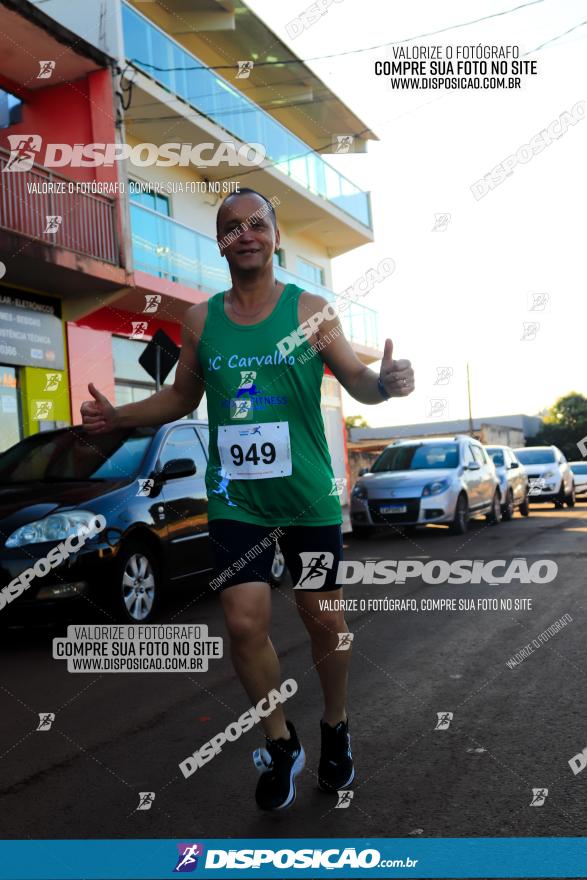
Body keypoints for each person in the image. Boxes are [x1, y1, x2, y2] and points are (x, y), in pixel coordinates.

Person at [80, 188, 415, 811]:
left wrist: (387, 385)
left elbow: (360, 382)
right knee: (242, 624)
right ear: (220, 243)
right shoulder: (202, 319)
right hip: (237, 503)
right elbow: (181, 398)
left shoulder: (311, 311)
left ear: (276, 235)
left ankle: (335, 728)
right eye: (232, 227)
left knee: (325, 622)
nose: (246, 234)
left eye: (257, 224)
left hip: (308, 503)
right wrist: (119, 416)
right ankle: (279, 740)